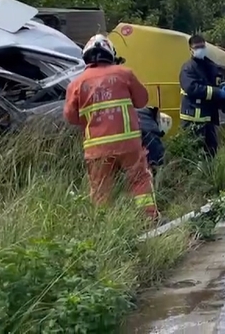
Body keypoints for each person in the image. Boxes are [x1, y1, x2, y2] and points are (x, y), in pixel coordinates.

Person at [63, 34, 158, 220]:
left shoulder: (76, 84)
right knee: (139, 182)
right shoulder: (125, 74)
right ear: (110, 54)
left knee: (101, 190)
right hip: (128, 145)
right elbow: (142, 100)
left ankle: (103, 225)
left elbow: (71, 117)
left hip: (96, 149)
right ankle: (149, 219)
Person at [179, 34, 225, 158]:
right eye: (197, 47)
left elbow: (220, 77)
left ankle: (211, 175)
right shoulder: (188, 68)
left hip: (208, 117)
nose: (200, 49)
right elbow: (192, 88)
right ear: (190, 50)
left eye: (202, 46)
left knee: (211, 151)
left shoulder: (209, 65)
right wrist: (217, 93)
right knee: (193, 152)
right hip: (193, 119)